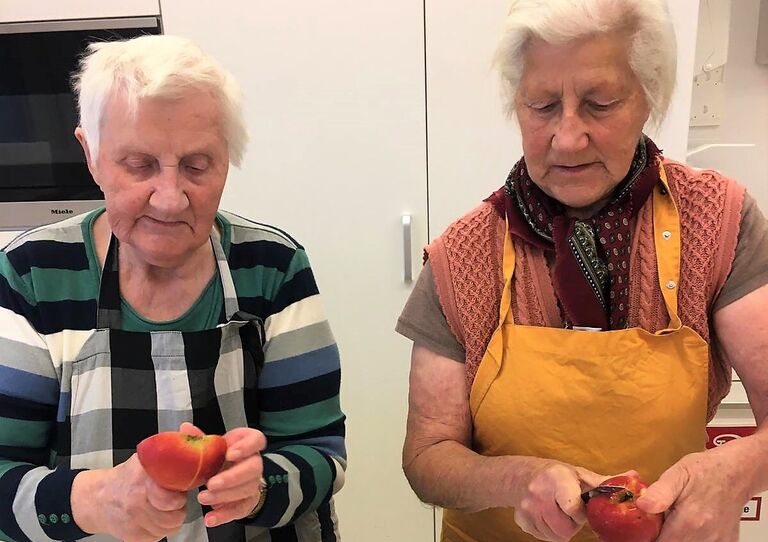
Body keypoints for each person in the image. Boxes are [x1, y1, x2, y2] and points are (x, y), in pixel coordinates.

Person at [396, 1, 768, 541]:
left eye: (600, 103)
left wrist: (736, 470)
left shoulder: (716, 222)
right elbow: (427, 457)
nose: (567, 138)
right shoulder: (463, 255)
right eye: (542, 106)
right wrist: (515, 479)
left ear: (649, 98)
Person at [0, 35, 345, 542]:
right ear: (90, 154)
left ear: (227, 157)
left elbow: (322, 452)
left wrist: (263, 485)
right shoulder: (31, 274)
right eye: (138, 165)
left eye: (196, 166)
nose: (169, 199)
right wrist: (93, 501)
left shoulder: (272, 267)